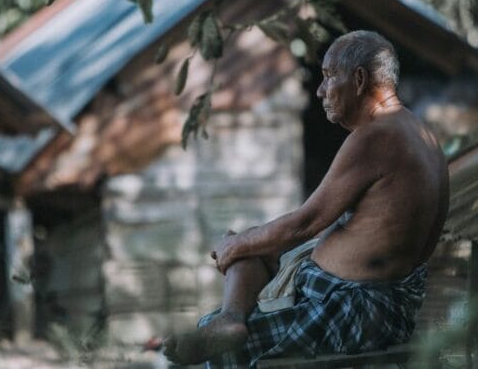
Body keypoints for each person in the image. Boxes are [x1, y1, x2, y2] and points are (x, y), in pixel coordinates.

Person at [163, 30, 449, 367]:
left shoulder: (378, 136)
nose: (320, 90)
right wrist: (244, 243)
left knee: (220, 351)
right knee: (253, 244)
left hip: (355, 309)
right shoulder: (418, 132)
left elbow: (307, 222)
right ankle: (231, 318)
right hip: (359, 300)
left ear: (359, 80)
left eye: (329, 76)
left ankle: (229, 323)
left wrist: (235, 246)